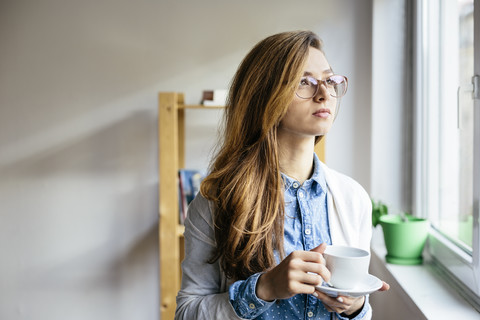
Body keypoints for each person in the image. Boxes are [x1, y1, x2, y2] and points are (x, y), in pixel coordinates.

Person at [175, 30, 389, 320]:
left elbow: (357, 308)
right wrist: (262, 288)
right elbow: (187, 312)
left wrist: (354, 308)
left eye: (329, 80)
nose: (324, 93)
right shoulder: (216, 202)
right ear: (264, 96)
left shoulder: (353, 199)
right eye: (305, 82)